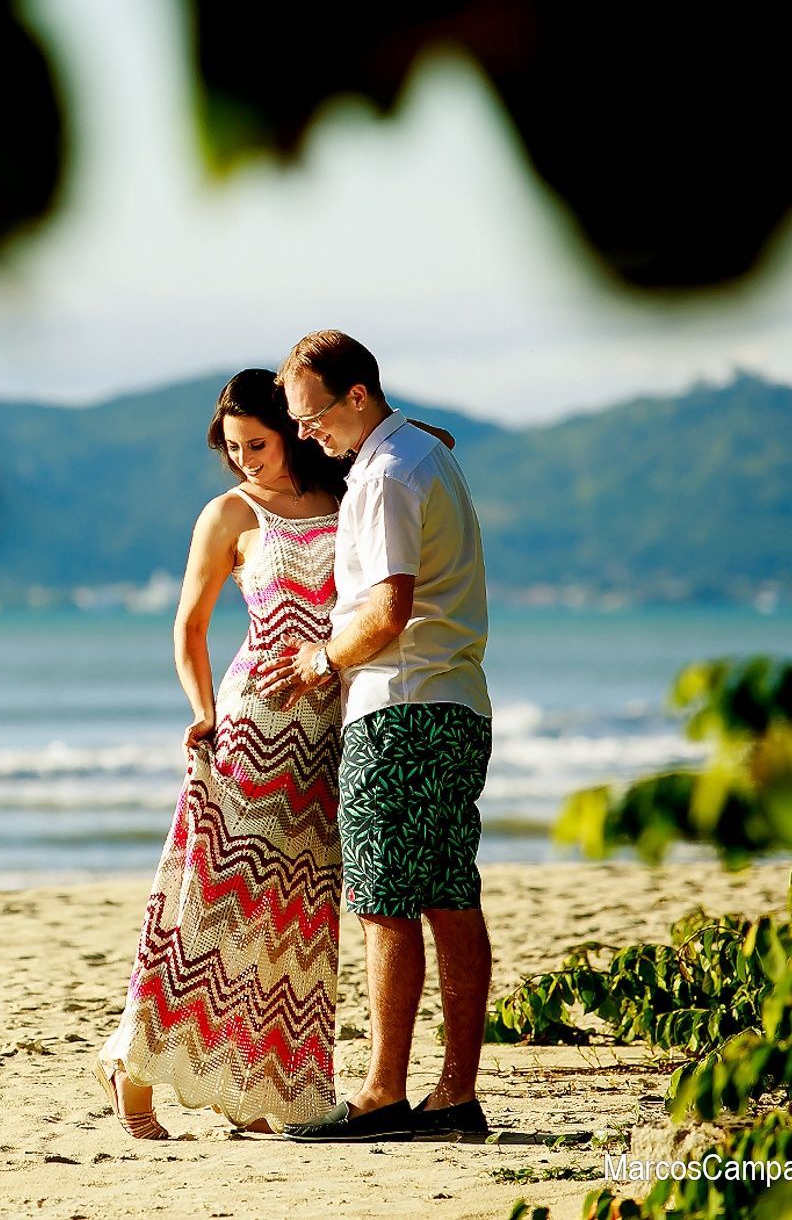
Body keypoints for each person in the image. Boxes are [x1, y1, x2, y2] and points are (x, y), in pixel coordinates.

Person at [93, 367, 351, 1138]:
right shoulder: (228, 515)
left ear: (295, 431)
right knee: (210, 906)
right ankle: (131, 1070)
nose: (246, 460)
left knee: (299, 916)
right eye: (233, 447)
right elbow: (189, 628)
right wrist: (203, 712)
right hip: (248, 727)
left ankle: (265, 1087)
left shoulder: (346, 499)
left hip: (324, 732)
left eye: (259, 444)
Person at [261, 329, 494, 1143]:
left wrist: (320, 658)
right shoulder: (414, 454)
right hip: (455, 700)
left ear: (357, 397)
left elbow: (389, 608)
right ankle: (455, 1096)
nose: (302, 433)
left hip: (399, 705)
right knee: (447, 893)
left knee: (384, 902)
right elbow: (420, 441)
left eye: (311, 415)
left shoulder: (390, 475)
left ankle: (383, 1093)